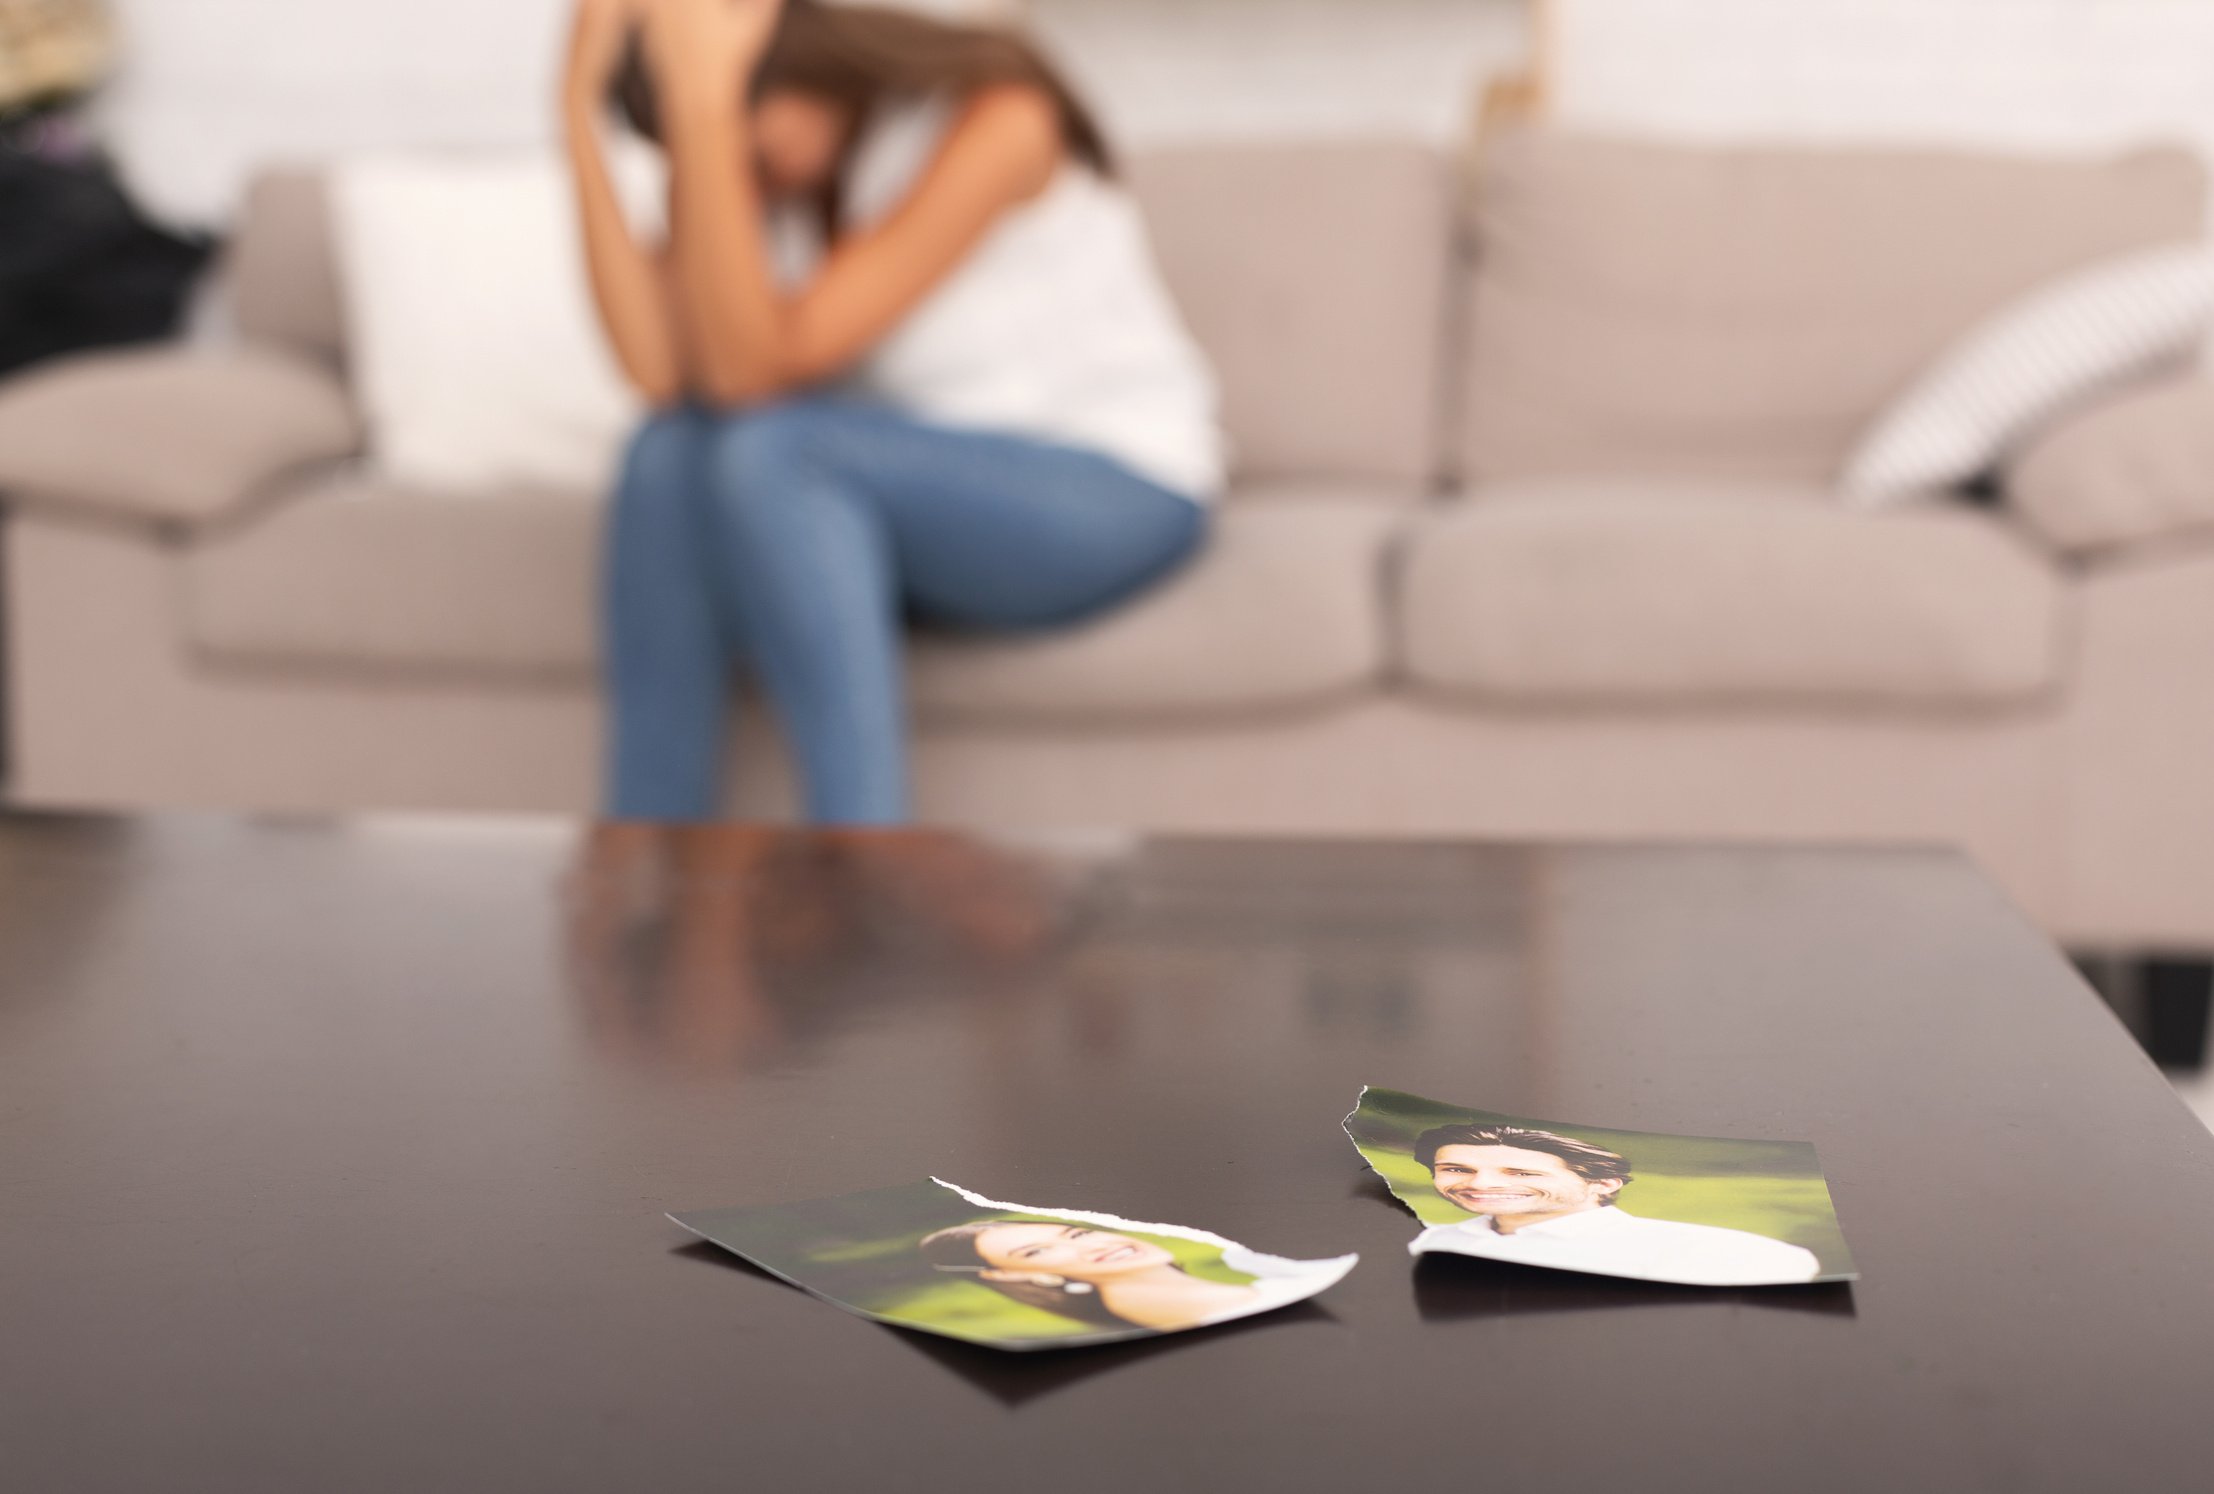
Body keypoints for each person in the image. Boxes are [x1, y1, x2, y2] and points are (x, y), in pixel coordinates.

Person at [562, 0, 1222, 824]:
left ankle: (861, 873)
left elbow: (754, 374)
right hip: (897, 508)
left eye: (751, 150)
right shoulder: (756, 172)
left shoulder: (1000, 115)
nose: (747, 177)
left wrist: (704, 111)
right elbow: (660, 375)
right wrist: (576, 122)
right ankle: (642, 874)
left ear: (800, 58)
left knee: (771, 449)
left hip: (1108, 491)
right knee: (665, 453)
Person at [1409, 1123, 1824, 1286]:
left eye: (1521, 1173)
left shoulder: (1731, 1254)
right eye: (1455, 1168)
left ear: (1603, 1184)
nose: (1479, 1184)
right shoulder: (1430, 1242)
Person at [919, 1219, 1322, 1333]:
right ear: (1006, 1276)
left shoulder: (1261, 1281)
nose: (1086, 1246)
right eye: (1037, 1251)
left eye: (1077, 1233)